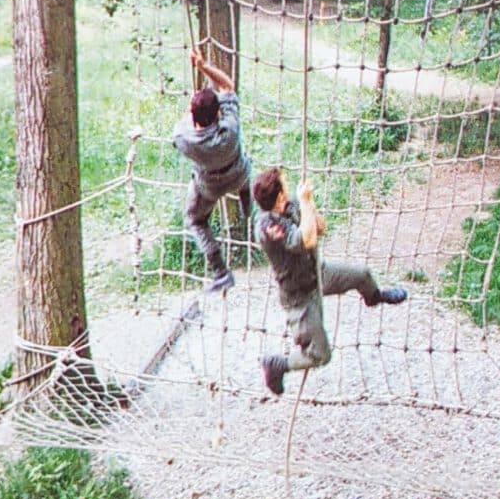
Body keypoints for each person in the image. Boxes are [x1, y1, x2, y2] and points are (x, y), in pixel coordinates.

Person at [253, 166, 408, 395]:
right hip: (299, 296)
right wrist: (305, 204)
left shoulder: (291, 205)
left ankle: (374, 297)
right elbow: (306, 239)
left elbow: (320, 228)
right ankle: (277, 365)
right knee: (320, 354)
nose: (290, 188)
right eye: (285, 186)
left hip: (318, 272)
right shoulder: (267, 226)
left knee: (362, 274)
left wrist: (309, 204)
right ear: (279, 196)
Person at [173, 48, 252, 293]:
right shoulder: (229, 128)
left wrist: (193, 107)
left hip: (208, 184)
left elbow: (187, 123)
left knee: (195, 219)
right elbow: (227, 86)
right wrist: (203, 66)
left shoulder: (184, 138)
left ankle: (220, 271)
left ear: (194, 117)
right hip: (238, 173)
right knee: (248, 178)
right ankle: (250, 208)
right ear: (218, 113)